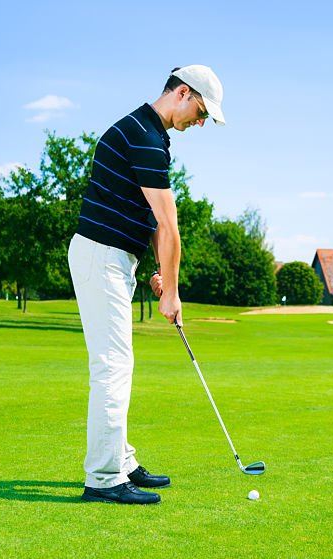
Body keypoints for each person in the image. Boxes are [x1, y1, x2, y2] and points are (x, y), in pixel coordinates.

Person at [68, 65, 226, 504]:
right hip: (102, 255)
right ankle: (103, 478)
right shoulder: (143, 137)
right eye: (200, 111)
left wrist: (159, 273)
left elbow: (148, 222)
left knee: (120, 365)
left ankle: (121, 460)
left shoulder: (153, 137)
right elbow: (169, 226)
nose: (200, 122)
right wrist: (172, 293)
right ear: (182, 93)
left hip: (114, 256)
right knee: (112, 368)